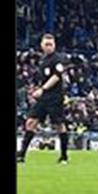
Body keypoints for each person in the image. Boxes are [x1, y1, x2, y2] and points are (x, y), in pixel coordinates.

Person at [16, 34, 71, 165]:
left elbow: (56, 76)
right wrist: (35, 89)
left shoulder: (58, 59)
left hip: (55, 97)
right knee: (30, 122)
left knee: (59, 125)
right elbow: (42, 78)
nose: (48, 47)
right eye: (46, 44)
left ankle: (64, 156)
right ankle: (22, 154)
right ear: (41, 45)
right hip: (43, 98)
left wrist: (42, 89)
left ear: (54, 45)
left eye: (51, 44)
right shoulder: (42, 60)